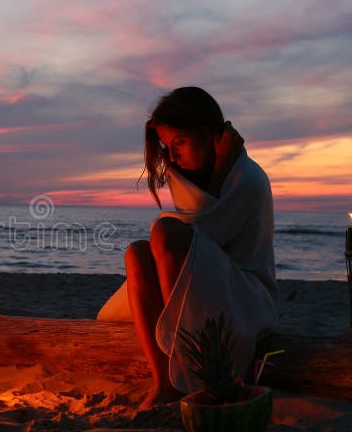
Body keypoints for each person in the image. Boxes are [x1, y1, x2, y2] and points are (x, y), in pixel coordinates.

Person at [119, 86, 278, 409]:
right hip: (212, 289)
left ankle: (190, 376)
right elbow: (198, 243)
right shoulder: (192, 177)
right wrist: (216, 172)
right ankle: (164, 381)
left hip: (247, 298)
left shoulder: (246, 177)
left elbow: (205, 235)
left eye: (179, 143)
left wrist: (220, 171)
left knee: (164, 231)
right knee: (137, 251)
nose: (172, 156)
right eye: (167, 146)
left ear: (207, 134)